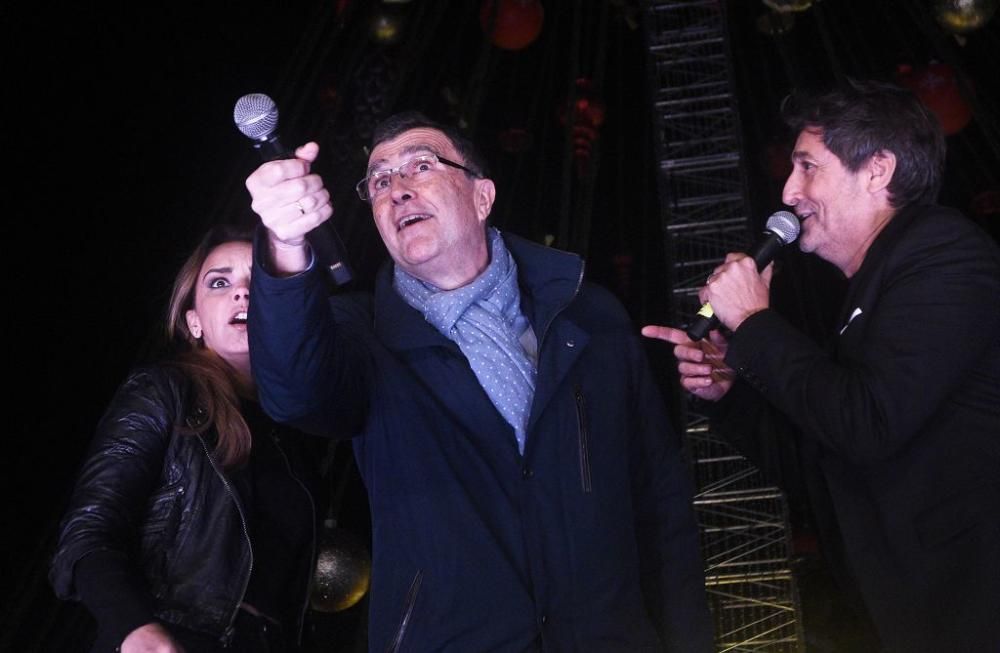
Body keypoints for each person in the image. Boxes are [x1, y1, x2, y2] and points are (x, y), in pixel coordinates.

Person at [243, 111, 713, 652]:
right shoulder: (361, 336)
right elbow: (293, 392)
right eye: (379, 180)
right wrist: (284, 247)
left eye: (421, 165)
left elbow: (659, 505)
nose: (396, 189)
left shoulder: (588, 318)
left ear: (482, 196)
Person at [643, 79, 1000, 652]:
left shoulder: (942, 252)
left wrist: (756, 324)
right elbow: (823, 466)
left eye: (808, 167)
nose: (789, 192)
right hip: (911, 614)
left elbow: (868, 425)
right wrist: (730, 390)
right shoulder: (870, 290)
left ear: (878, 169)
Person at [50, 225, 325, 653]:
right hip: (174, 638)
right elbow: (88, 531)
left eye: (258, 281)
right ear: (194, 322)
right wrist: (135, 629)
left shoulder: (296, 432)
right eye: (220, 282)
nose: (242, 294)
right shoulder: (165, 390)